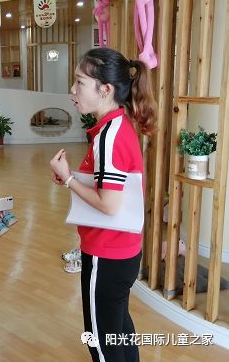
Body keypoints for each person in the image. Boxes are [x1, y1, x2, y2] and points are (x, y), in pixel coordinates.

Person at [49, 48, 157, 362]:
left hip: (106, 253)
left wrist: (69, 179)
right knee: (119, 329)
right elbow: (113, 187)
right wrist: (72, 177)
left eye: (80, 82)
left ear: (105, 89)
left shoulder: (109, 135)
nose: (72, 89)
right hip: (122, 250)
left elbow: (109, 205)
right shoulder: (118, 125)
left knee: (101, 342)